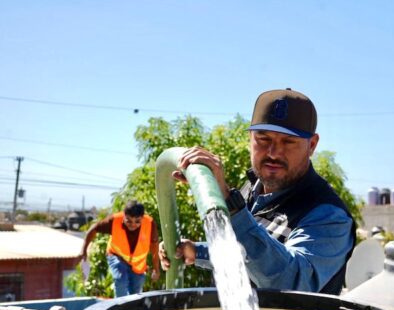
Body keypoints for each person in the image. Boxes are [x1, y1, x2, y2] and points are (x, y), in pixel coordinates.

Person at [160, 88, 356, 294]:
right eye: (263, 139)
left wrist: (229, 202)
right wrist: (196, 251)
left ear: (312, 145)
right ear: (250, 138)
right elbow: (247, 254)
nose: (274, 153)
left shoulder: (328, 214)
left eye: (288, 141)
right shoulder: (250, 190)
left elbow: (290, 282)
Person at [78, 200, 160, 297]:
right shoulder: (114, 220)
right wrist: (84, 250)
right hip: (116, 256)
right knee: (121, 279)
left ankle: (131, 306)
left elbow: (155, 247)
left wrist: (156, 269)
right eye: (128, 221)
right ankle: (120, 304)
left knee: (136, 293)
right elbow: (93, 229)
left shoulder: (150, 224)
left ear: (142, 218)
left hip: (138, 265)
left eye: (137, 221)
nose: (133, 224)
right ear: (124, 216)